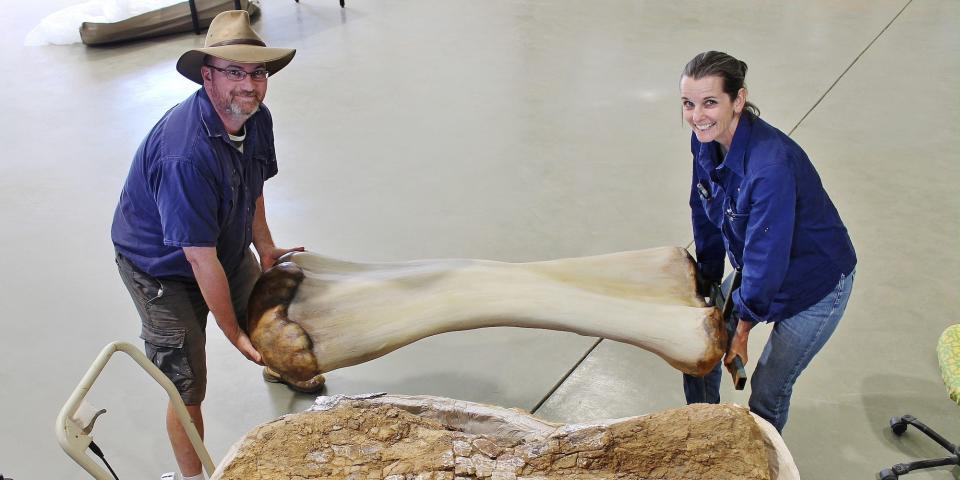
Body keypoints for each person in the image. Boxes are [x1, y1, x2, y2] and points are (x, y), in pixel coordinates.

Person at [111, 10, 315, 480]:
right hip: (161, 268)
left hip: (221, 243)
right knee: (186, 385)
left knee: (272, 313)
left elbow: (254, 184)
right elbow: (200, 263)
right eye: (235, 72)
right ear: (208, 76)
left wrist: (264, 248)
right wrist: (235, 334)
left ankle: (275, 364)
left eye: (258, 72)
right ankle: (193, 477)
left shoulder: (255, 117)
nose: (250, 84)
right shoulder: (185, 154)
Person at [680, 51, 857, 432]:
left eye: (710, 102)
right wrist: (706, 286)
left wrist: (740, 331)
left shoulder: (769, 167)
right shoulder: (704, 141)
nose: (698, 116)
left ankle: (762, 464)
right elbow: (703, 209)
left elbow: (766, 257)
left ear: (738, 100)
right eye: (689, 104)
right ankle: (703, 434)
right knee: (699, 350)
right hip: (763, 267)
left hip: (814, 284)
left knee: (767, 391)